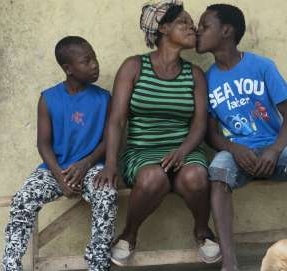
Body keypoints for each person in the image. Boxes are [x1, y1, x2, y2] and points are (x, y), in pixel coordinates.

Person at [95, 0, 221, 267]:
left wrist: (183, 151)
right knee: (154, 177)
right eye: (183, 23)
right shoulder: (133, 67)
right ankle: (129, 235)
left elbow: (199, 124)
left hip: (184, 150)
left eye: (191, 23)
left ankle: (202, 230)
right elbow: (116, 121)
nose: (192, 28)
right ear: (163, 29)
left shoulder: (195, 74)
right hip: (142, 152)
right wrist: (110, 164)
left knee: (196, 175)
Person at [196, 4, 287, 271]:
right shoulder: (207, 79)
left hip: (272, 147)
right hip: (235, 152)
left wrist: (274, 150)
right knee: (217, 173)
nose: (198, 32)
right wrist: (233, 147)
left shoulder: (261, 66)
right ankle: (230, 263)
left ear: (226, 31)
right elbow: (209, 132)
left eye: (205, 26)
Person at [1, 36, 118, 271]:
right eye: (86, 61)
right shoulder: (48, 99)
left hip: (91, 166)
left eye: (94, 58)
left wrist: (85, 164)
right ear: (69, 69)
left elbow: (110, 140)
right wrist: (59, 177)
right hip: (56, 169)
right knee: (23, 200)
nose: (95, 64)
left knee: (107, 195)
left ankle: (98, 263)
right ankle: (11, 265)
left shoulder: (104, 98)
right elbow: (43, 144)